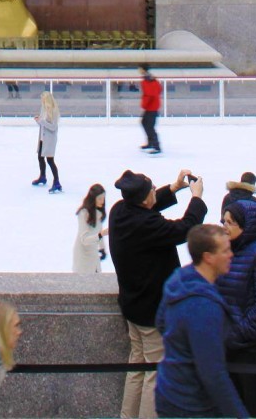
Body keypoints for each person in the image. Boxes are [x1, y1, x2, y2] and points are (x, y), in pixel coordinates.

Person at [108, 167, 208, 419]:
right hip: (152, 313)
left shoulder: (120, 211)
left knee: (138, 367)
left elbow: (147, 210)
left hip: (132, 306)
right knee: (155, 374)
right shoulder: (147, 224)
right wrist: (197, 198)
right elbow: (185, 229)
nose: (155, 191)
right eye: (152, 189)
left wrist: (173, 188)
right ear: (144, 199)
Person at [154, 225, 247, 419]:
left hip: (169, 389)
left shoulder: (179, 279)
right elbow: (213, 373)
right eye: (225, 250)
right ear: (208, 257)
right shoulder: (204, 307)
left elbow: (161, 323)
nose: (231, 255)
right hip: (192, 405)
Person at [217, 201, 256, 418]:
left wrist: (234, 336)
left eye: (231, 222)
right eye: (223, 221)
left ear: (248, 226)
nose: (224, 226)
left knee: (253, 409)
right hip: (226, 346)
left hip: (251, 351)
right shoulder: (224, 252)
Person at [72, 183, 108, 273]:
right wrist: (100, 234)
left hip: (93, 251)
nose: (102, 201)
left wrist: (102, 248)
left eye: (103, 198)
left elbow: (99, 230)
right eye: (100, 199)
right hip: (83, 253)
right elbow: (84, 239)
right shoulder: (84, 213)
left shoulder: (98, 213)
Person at [31, 90, 61, 191]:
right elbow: (42, 123)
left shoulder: (53, 111)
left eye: (43, 100)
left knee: (50, 160)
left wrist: (42, 122)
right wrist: (38, 121)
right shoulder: (43, 109)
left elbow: (53, 127)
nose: (42, 102)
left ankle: (57, 182)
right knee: (40, 157)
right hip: (42, 138)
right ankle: (42, 176)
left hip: (50, 139)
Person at [139, 66, 162, 155]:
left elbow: (149, 94)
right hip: (152, 106)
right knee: (145, 123)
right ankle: (151, 143)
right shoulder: (152, 80)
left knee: (149, 126)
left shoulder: (147, 81)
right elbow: (158, 90)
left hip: (151, 107)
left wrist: (144, 104)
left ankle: (156, 146)